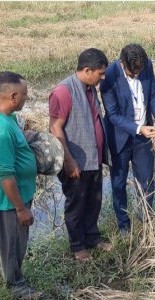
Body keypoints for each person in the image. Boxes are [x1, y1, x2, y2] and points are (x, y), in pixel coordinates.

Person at [0, 71, 42, 300]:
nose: (26, 98)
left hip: (12, 197)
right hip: (7, 200)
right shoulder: (0, 130)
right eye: (24, 94)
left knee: (13, 243)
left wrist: (26, 138)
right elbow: (5, 174)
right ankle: (17, 288)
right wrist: (21, 208)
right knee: (11, 245)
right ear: (13, 96)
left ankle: (15, 280)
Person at [49, 48, 113, 262]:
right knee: (76, 204)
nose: (102, 78)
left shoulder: (89, 87)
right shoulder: (63, 91)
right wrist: (68, 160)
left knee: (94, 200)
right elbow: (55, 128)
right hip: (76, 161)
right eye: (100, 73)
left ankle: (92, 237)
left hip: (92, 158)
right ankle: (77, 246)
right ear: (87, 70)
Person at [100, 44, 155, 235]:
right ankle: (124, 225)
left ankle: (146, 219)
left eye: (138, 71)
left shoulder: (146, 66)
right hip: (119, 137)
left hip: (144, 137)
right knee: (119, 183)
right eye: (131, 72)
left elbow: (153, 94)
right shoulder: (109, 75)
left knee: (146, 179)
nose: (136, 75)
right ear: (122, 63)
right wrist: (138, 128)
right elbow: (112, 114)